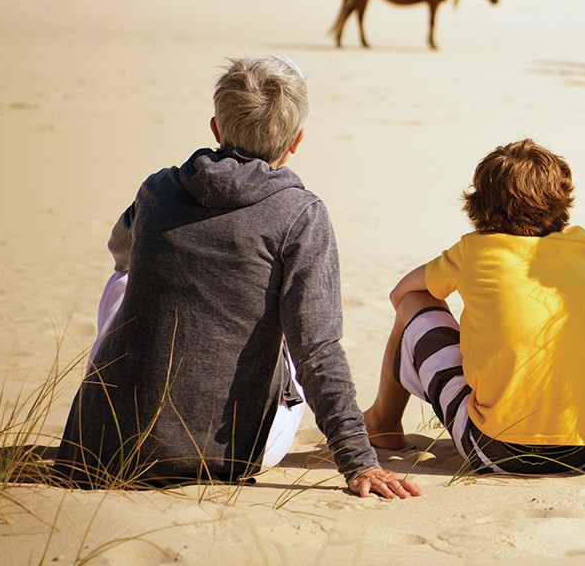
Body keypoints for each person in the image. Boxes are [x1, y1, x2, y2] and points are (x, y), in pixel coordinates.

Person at [54, 55, 418, 498]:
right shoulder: (300, 213)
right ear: (297, 141)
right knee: (296, 324)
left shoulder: (157, 188)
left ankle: (123, 406)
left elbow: (119, 250)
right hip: (222, 455)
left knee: (125, 278)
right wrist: (359, 462)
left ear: (215, 129)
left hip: (101, 445)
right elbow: (317, 349)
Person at [361, 139, 585, 474]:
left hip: (496, 450)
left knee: (414, 305)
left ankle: (384, 423)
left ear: (479, 204)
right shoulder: (580, 246)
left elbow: (401, 294)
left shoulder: (475, 251)